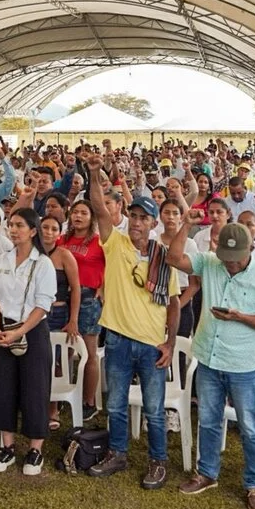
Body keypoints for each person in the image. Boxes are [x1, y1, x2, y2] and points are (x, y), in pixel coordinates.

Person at [169, 223, 255, 509]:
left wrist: (239, 317)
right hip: (208, 356)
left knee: (251, 427)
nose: (230, 262)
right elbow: (173, 257)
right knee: (208, 419)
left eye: (236, 257)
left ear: (249, 250)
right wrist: (185, 221)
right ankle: (207, 473)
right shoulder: (209, 262)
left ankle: (254, 484)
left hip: (244, 363)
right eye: (226, 256)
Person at [84, 153, 180, 490]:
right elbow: (98, 208)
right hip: (119, 340)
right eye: (134, 216)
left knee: (154, 409)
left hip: (153, 344)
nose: (137, 223)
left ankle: (158, 461)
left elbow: (174, 303)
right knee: (115, 404)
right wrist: (95, 172)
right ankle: (118, 452)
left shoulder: (162, 256)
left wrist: (170, 342)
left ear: (154, 224)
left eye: (144, 218)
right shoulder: (116, 244)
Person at [0, 207, 56, 476]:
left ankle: (35, 450)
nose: (13, 230)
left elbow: (43, 304)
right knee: (3, 388)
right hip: (4, 329)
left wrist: (20, 331)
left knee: (35, 390)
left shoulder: (43, 263)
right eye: (11, 225)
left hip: (33, 332)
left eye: (19, 225)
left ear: (32, 230)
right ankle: (8, 447)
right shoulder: (4, 259)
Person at [57, 198, 106, 418]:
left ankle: (88, 401)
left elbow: (114, 264)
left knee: (88, 353)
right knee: (62, 352)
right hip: (63, 299)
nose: (78, 216)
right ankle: (58, 397)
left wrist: (104, 284)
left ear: (91, 218)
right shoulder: (62, 240)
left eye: (84, 213)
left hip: (88, 299)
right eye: (75, 212)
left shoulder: (98, 242)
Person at [40, 213, 81, 428]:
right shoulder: (32, 253)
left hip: (58, 314)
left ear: (59, 233)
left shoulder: (65, 255)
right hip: (36, 314)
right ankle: (36, 404)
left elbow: (75, 289)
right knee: (38, 361)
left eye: (53, 229)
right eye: (45, 227)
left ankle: (53, 409)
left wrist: (73, 319)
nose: (48, 232)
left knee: (57, 362)